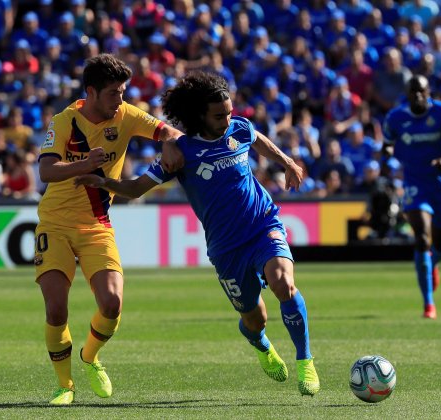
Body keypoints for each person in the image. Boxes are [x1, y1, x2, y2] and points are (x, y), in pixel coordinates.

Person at [74, 71, 320, 396]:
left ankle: (306, 360)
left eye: (230, 112)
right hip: (226, 249)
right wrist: (105, 183)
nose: (227, 120)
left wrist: (287, 162)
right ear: (198, 115)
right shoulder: (181, 152)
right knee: (255, 318)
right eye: (219, 115)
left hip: (262, 225)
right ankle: (261, 344)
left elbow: (256, 138)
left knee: (284, 284)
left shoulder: (238, 128)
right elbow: (136, 188)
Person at [35, 53, 183, 405]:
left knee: (113, 302)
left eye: (123, 91)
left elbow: (167, 129)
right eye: (114, 93)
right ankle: (64, 386)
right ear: (91, 92)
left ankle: (90, 356)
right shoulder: (65, 120)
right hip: (54, 223)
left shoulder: (127, 115)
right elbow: (46, 171)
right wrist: (85, 164)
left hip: (96, 225)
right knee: (56, 309)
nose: (120, 99)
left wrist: (168, 141)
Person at [382, 75, 441, 319]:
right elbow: (387, 144)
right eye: (413, 92)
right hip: (414, 183)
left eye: (422, 91)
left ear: (429, 91)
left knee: (440, 244)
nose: (418, 96)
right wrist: (388, 152)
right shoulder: (396, 117)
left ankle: (432, 264)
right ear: (407, 94)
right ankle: (428, 303)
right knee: (422, 236)